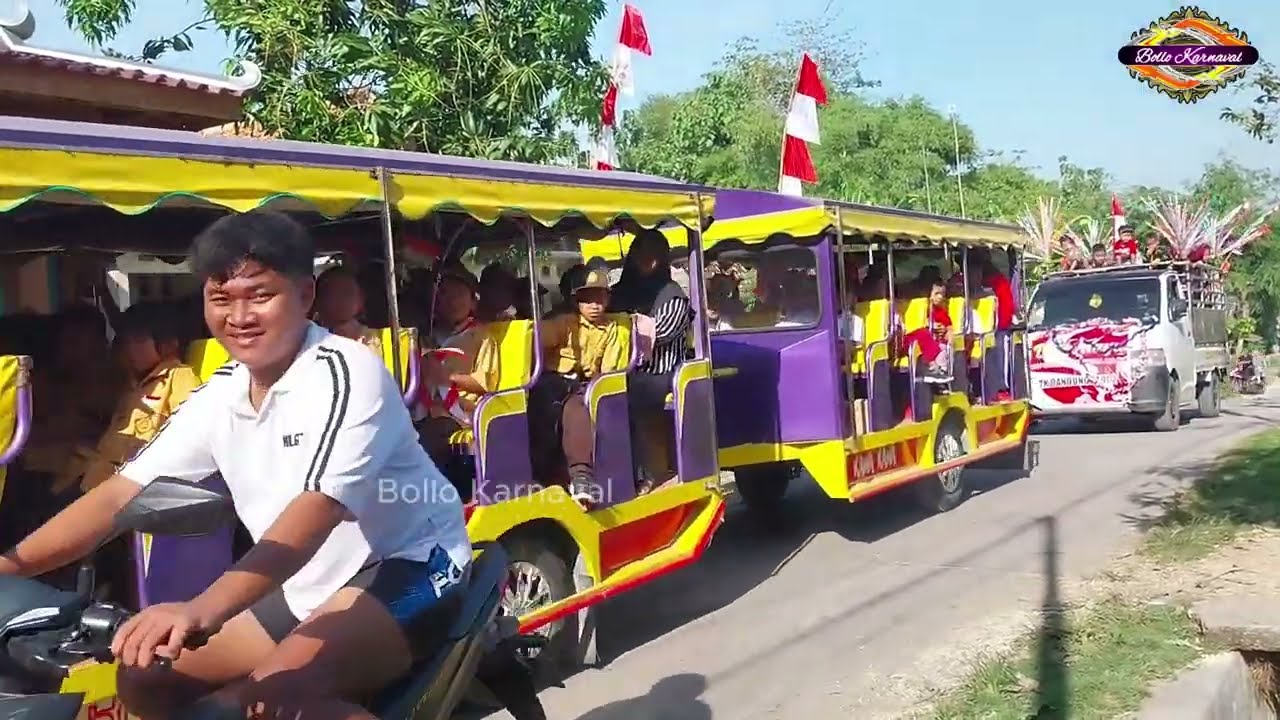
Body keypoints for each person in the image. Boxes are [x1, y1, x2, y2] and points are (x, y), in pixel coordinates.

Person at [0, 210, 471, 720]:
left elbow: (318, 509)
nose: (240, 316)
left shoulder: (347, 372)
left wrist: (201, 608)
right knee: (144, 675)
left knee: (272, 700)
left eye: (260, 295)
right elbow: (121, 493)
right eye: (221, 298)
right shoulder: (221, 392)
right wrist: (9, 567)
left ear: (305, 296)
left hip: (407, 564)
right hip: (305, 580)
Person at [531, 269, 627, 507]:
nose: (594, 305)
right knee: (536, 407)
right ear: (576, 301)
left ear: (608, 299)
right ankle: (537, 474)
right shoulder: (565, 323)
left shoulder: (615, 329)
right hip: (551, 382)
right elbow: (536, 339)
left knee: (576, 410)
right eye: (587, 299)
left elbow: (609, 371)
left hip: (583, 385)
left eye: (600, 298)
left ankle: (581, 477)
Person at [608, 230, 694, 491]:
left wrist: (622, 327)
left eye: (654, 254)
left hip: (660, 371)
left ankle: (647, 473)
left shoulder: (673, 295)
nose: (648, 260)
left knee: (632, 395)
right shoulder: (618, 293)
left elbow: (661, 334)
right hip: (620, 368)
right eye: (642, 253)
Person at [313, 266, 382, 355]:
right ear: (317, 301)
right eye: (331, 293)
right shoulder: (308, 339)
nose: (340, 299)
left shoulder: (380, 337)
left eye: (347, 292)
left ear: (361, 299)